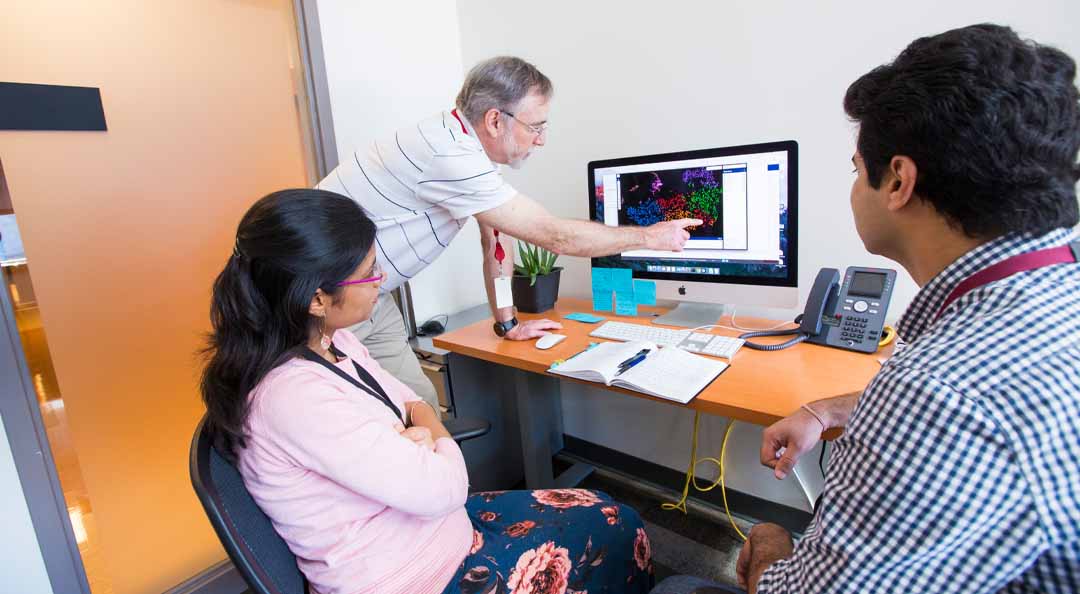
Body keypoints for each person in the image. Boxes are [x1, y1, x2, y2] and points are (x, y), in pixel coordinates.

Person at [657, 23, 1080, 594]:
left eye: (857, 169)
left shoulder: (935, 389)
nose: (855, 186)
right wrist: (831, 408)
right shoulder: (1049, 295)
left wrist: (772, 542)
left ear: (899, 180)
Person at [200, 188, 655, 594]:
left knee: (600, 506)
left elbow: (410, 401)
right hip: (416, 576)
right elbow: (447, 488)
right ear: (316, 298)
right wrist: (426, 438)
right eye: (368, 273)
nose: (381, 281)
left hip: (432, 532)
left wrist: (422, 432)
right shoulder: (293, 398)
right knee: (619, 528)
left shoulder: (333, 341)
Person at [316, 56, 701, 407]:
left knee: (418, 407)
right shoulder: (449, 155)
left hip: (372, 298)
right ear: (495, 120)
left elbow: (496, 242)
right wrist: (650, 236)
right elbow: (554, 236)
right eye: (535, 127)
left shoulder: (467, 150)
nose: (541, 139)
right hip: (317, 301)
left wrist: (508, 323)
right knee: (362, 425)